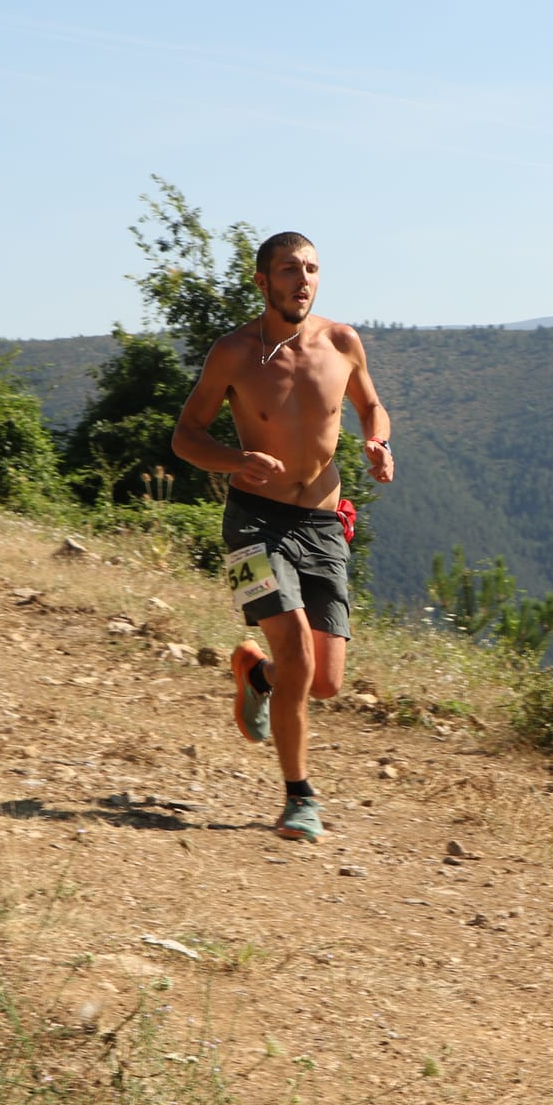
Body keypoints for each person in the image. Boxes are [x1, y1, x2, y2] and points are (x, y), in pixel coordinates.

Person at [170, 231, 394, 841]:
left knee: (323, 681)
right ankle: (300, 797)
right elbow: (185, 436)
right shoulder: (234, 352)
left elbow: (372, 407)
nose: (303, 279)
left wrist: (377, 440)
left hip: (323, 523)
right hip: (251, 520)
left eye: (312, 268)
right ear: (262, 281)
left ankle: (257, 677)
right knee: (295, 648)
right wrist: (233, 460)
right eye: (290, 269)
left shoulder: (343, 342)